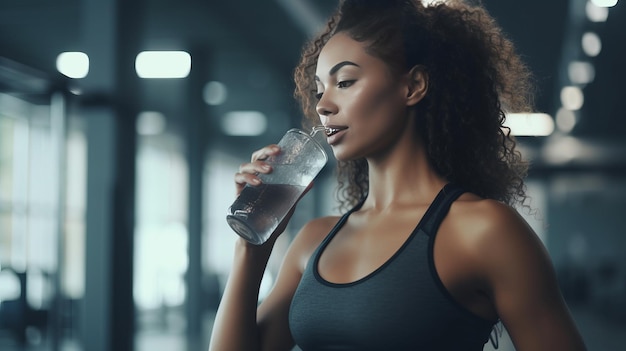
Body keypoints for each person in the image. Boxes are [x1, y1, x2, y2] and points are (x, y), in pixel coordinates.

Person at [209, 0, 587, 350]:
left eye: (345, 82)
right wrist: (252, 248)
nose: (323, 105)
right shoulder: (313, 241)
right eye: (319, 88)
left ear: (413, 86)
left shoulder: (484, 230)